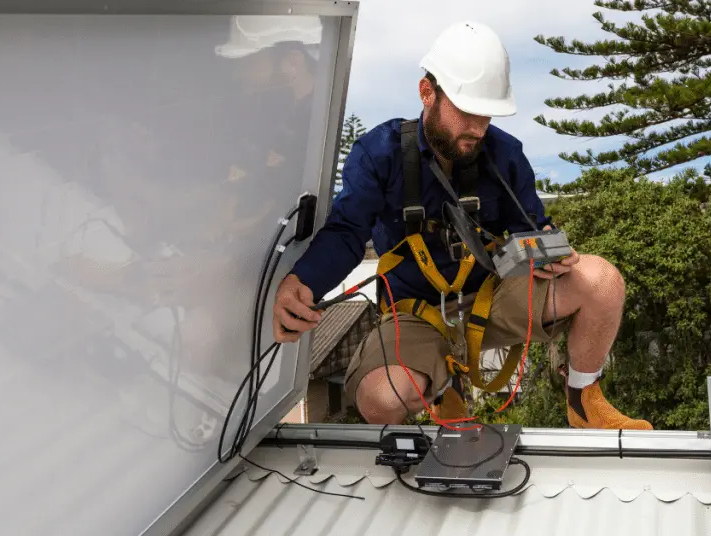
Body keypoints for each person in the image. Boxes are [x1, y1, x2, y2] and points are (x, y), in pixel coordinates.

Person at [273, 21, 652, 430]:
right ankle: (442, 384)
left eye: (486, 113)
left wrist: (547, 250)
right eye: (466, 111)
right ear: (427, 93)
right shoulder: (379, 155)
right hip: (416, 313)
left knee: (602, 282)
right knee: (380, 400)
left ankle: (582, 398)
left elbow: (531, 225)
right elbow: (347, 233)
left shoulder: (503, 155)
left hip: (492, 297)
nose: (478, 127)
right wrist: (304, 282)